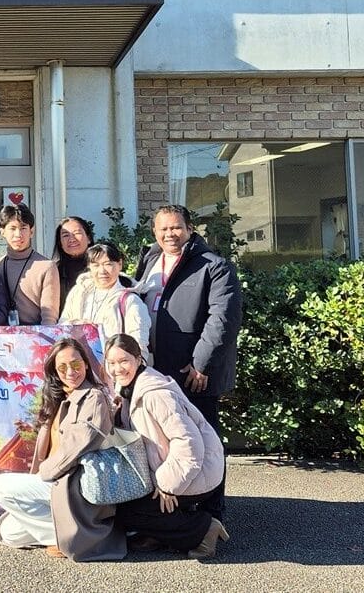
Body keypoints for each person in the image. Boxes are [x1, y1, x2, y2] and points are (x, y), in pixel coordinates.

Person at [132, 204, 243, 520]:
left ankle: (211, 513)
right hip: (156, 369)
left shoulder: (214, 267)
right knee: (164, 443)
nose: (170, 234)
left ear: (190, 229)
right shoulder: (150, 260)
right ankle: (174, 512)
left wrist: (201, 364)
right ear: (155, 231)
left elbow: (222, 319)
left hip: (193, 372)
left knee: (205, 442)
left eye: (176, 227)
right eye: (163, 228)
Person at [0, 335, 125, 561]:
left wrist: (42, 474)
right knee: (9, 533)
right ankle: (67, 534)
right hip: (54, 481)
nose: (70, 372)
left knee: (0, 486)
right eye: (62, 367)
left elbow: (76, 448)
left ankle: (75, 539)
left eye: (76, 364)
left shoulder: (93, 398)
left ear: (86, 364)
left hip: (72, 483)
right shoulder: (57, 398)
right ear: (54, 371)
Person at [103, 333, 229, 559]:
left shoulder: (155, 395)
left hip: (197, 471)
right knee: (124, 504)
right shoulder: (130, 389)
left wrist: (167, 486)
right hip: (171, 467)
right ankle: (161, 534)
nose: (117, 369)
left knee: (129, 513)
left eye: (124, 361)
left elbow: (189, 445)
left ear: (138, 359)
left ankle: (204, 529)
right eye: (111, 363)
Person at [60, 242, 152, 365]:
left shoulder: (129, 300)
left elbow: (139, 343)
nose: (102, 271)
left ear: (120, 264)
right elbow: (61, 327)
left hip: (112, 368)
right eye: (96, 265)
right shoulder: (79, 292)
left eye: (108, 264)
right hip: (78, 366)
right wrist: (75, 325)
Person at [0, 204, 60, 326]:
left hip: (36, 334)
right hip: (2, 334)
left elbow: (49, 315)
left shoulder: (46, 266)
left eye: (23, 228)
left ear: (31, 231)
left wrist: (45, 335)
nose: (18, 234)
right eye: (12, 228)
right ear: (2, 232)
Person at [52, 215, 95, 311]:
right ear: (60, 243)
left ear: (89, 238)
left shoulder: (101, 267)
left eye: (77, 233)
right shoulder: (53, 271)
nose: (72, 239)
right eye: (65, 235)